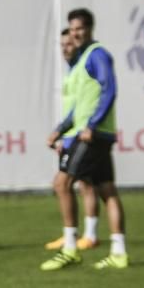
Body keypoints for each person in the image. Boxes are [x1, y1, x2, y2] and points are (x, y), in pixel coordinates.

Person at [42, 8, 129, 271]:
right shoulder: (81, 61)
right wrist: (60, 129)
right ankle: (119, 252)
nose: (76, 33)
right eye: (72, 28)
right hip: (91, 132)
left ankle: (70, 248)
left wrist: (92, 125)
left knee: (61, 183)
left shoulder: (97, 55)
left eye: (80, 28)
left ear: (90, 28)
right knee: (107, 191)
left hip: (91, 135)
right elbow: (79, 105)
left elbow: (109, 89)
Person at [45, 27, 100, 253]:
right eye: (62, 45)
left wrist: (60, 131)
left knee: (70, 184)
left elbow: (78, 109)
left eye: (69, 44)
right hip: (71, 135)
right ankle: (80, 234)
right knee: (82, 185)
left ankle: (82, 236)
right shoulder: (72, 70)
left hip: (80, 134)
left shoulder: (83, 69)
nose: (65, 48)